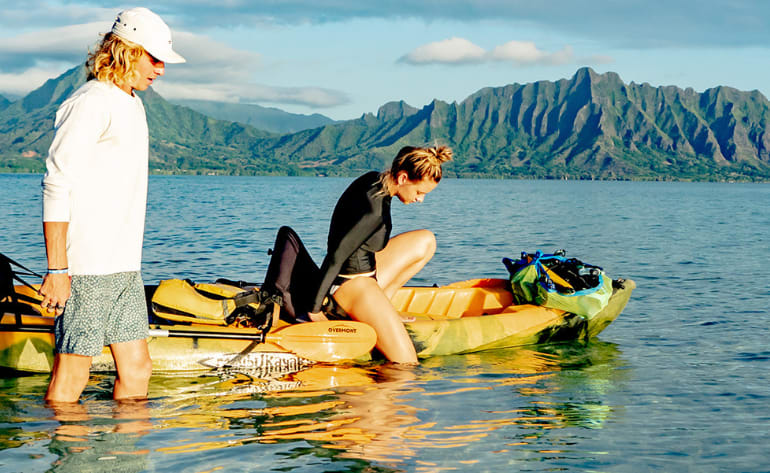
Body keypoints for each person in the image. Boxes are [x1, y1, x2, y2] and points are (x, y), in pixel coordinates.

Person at [39, 7, 185, 402]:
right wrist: (58, 270)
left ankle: (128, 460)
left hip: (124, 267)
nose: (161, 69)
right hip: (87, 268)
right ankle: (68, 459)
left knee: (138, 370)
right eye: (154, 58)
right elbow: (56, 184)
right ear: (127, 51)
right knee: (73, 375)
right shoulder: (90, 102)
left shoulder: (131, 103)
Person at [308, 145, 453, 364]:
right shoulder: (372, 211)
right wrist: (314, 309)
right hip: (350, 287)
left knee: (426, 241)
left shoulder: (375, 180)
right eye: (419, 192)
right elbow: (337, 254)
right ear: (403, 178)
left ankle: (385, 305)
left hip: (366, 275)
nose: (420, 199)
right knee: (407, 364)